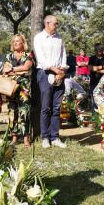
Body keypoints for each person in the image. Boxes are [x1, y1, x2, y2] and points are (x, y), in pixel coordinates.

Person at [33, 15, 68, 148]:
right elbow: (41, 59)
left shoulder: (59, 38)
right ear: (47, 24)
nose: (57, 26)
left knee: (56, 107)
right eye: (55, 24)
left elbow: (63, 56)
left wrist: (62, 71)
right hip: (45, 73)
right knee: (46, 107)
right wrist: (56, 71)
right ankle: (45, 137)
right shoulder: (39, 38)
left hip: (59, 73)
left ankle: (55, 137)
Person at [3, 34, 35, 146]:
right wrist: (19, 71)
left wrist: (12, 70)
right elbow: (5, 70)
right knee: (12, 113)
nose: (16, 43)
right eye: (14, 41)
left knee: (24, 112)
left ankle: (26, 139)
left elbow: (26, 68)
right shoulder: (8, 56)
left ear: (23, 43)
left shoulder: (29, 55)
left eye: (18, 41)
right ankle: (14, 138)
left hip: (24, 90)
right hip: (10, 89)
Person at [88, 44, 104, 109]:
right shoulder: (92, 58)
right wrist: (101, 67)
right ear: (95, 50)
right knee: (93, 100)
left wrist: (96, 69)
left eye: (101, 50)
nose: (100, 52)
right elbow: (90, 68)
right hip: (94, 82)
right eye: (98, 50)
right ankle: (94, 116)